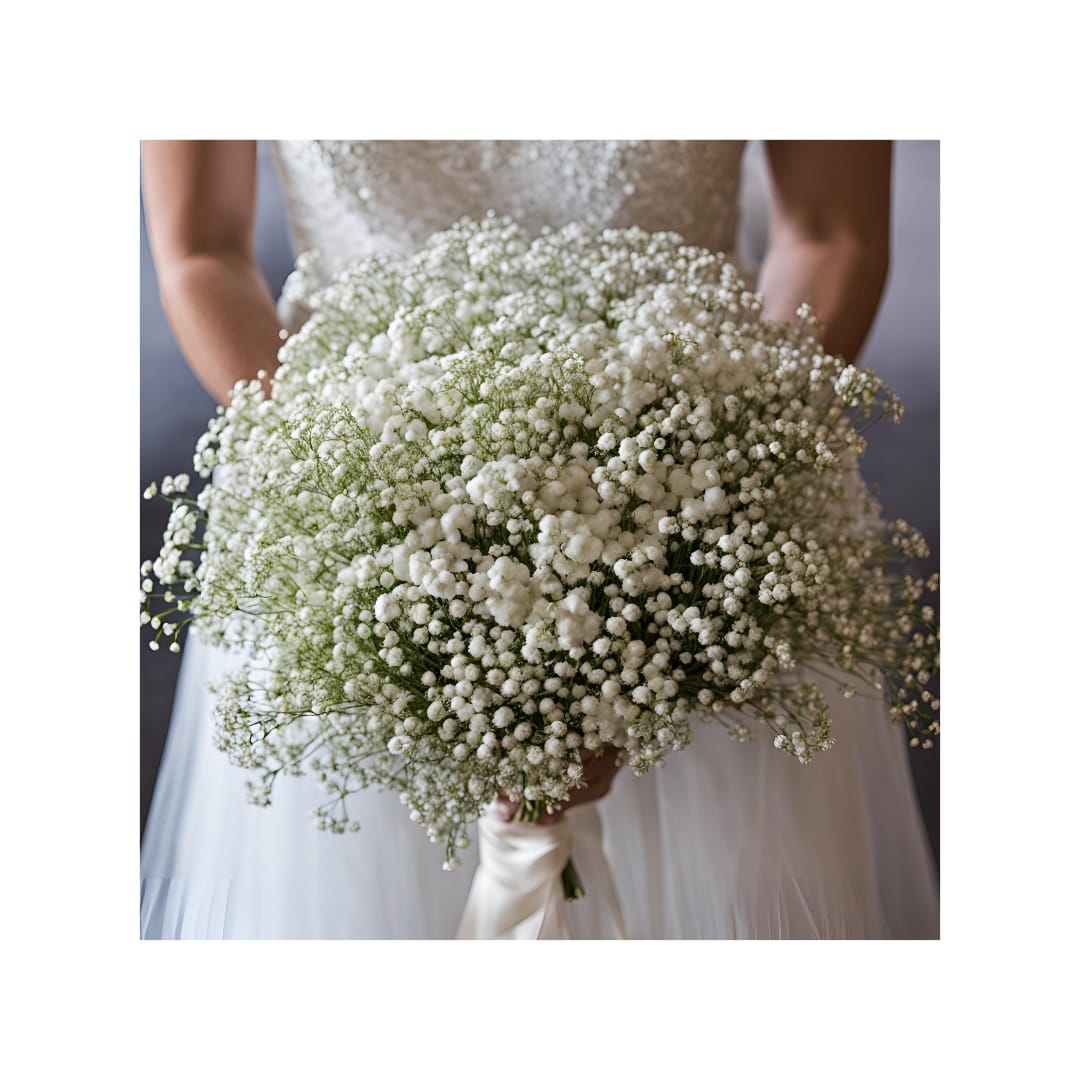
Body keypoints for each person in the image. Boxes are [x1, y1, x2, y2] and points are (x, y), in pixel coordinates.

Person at [140, 139, 938, 939]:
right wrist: (357, 501)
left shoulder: (714, 509)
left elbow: (832, 234)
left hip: (707, 510)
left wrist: (714, 496)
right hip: (348, 511)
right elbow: (199, 249)